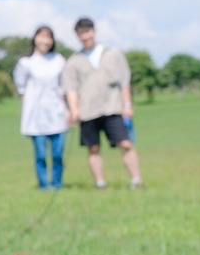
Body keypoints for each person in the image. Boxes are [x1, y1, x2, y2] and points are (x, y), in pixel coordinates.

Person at [61, 17, 143, 189]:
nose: (85, 36)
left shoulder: (113, 53)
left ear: (94, 31)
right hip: (87, 110)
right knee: (93, 148)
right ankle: (100, 183)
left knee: (125, 144)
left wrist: (127, 105)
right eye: (80, 33)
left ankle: (136, 180)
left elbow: (124, 81)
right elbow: (71, 89)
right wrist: (73, 110)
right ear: (77, 36)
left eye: (87, 32)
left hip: (112, 107)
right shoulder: (73, 61)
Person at [12, 25, 69, 189]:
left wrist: (68, 109)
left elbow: (64, 86)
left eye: (48, 37)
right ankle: (44, 184)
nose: (45, 41)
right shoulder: (26, 63)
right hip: (36, 115)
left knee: (58, 153)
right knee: (41, 154)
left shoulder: (58, 60)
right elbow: (21, 88)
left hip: (57, 112)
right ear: (34, 39)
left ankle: (57, 183)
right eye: (41, 36)